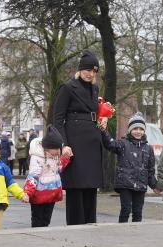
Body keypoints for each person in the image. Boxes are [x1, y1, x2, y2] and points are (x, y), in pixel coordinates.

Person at [53, 49, 103, 225]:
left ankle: (90, 225)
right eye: (88, 70)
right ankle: (75, 228)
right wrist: (63, 145)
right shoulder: (67, 88)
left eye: (94, 71)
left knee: (90, 188)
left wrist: (102, 126)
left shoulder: (95, 89)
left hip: (92, 144)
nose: (90, 74)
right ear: (80, 69)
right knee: (76, 189)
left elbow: (95, 115)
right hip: (74, 144)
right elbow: (57, 120)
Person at [101, 112, 157, 222]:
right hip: (125, 184)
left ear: (144, 131)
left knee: (138, 212)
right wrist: (103, 131)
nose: (138, 131)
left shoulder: (148, 148)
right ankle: (122, 230)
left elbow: (150, 169)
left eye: (141, 129)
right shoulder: (123, 144)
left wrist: (155, 185)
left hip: (140, 184)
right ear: (130, 130)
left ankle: (136, 232)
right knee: (126, 209)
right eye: (135, 128)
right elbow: (110, 144)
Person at [24, 125, 70, 227]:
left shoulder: (56, 156)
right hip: (39, 194)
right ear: (47, 147)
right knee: (37, 219)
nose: (59, 151)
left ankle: (44, 232)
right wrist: (27, 193)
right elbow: (33, 176)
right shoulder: (37, 158)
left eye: (59, 148)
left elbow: (59, 169)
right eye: (56, 149)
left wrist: (65, 158)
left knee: (46, 219)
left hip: (51, 193)